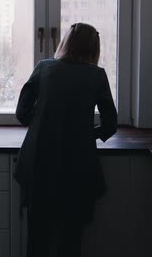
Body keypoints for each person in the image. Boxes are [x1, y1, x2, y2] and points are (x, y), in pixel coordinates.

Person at [13, 22, 117, 257]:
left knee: (37, 238)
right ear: (93, 48)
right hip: (77, 167)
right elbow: (111, 124)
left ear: (65, 42)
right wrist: (88, 133)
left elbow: (22, 113)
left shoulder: (44, 68)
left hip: (40, 163)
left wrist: (42, 124)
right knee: (70, 240)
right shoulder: (96, 75)